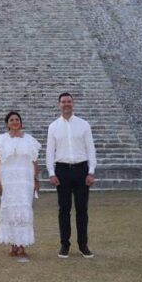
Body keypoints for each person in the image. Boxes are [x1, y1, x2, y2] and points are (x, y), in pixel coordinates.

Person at [46, 92, 97, 259]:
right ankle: (64, 245)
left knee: (82, 210)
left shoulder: (84, 125)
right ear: (59, 104)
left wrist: (91, 171)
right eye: (63, 102)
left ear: (73, 104)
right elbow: (49, 152)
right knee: (64, 209)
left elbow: (91, 149)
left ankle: (83, 245)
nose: (66, 104)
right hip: (62, 170)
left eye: (69, 101)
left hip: (81, 169)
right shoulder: (53, 127)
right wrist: (51, 173)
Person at [0, 111, 40, 258]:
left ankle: (23, 245)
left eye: (17, 119)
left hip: (25, 182)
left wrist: (36, 180)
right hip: (8, 182)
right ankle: (13, 245)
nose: (14, 122)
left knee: (24, 210)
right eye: (11, 119)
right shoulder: (0, 141)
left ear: (21, 122)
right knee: (10, 212)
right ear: (7, 123)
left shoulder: (30, 140)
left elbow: (35, 162)